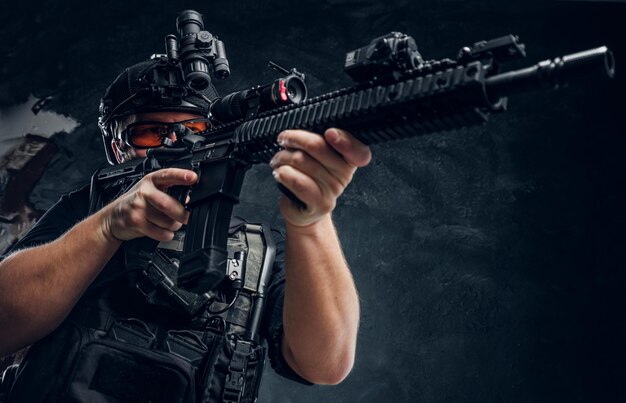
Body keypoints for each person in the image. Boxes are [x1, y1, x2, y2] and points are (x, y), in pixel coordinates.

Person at [0, 53, 371, 402]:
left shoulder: (258, 250)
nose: (178, 141)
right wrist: (105, 229)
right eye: (149, 133)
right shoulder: (82, 214)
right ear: (117, 148)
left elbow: (327, 364)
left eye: (193, 128)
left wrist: (312, 221)